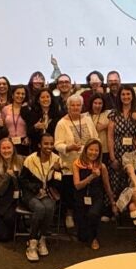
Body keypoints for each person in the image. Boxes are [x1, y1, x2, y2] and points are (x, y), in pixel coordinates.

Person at [55, 94, 98, 228]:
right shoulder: (62, 123)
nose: (75, 107)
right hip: (70, 164)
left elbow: (95, 138)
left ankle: (84, 217)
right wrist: (68, 147)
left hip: (88, 163)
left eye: (78, 105)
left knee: (86, 191)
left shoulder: (87, 119)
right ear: (68, 107)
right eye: (72, 105)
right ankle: (69, 215)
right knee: (71, 193)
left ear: (81, 106)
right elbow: (57, 144)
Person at [20, 134, 63, 260]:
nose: (49, 146)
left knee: (49, 207)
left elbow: (59, 184)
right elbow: (22, 180)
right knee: (39, 208)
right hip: (30, 193)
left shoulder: (56, 159)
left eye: (51, 144)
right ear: (39, 145)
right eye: (46, 144)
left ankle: (42, 238)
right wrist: (35, 188)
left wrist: (57, 171)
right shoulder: (30, 159)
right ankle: (32, 242)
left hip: (47, 193)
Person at [73, 138, 115, 250]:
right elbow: (77, 185)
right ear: (86, 150)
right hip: (81, 197)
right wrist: (92, 176)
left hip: (96, 197)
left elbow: (107, 186)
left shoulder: (102, 166)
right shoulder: (77, 164)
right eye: (91, 150)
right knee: (82, 236)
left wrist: (113, 203)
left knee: (93, 214)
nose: (93, 153)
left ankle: (94, 238)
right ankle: (87, 235)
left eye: (96, 150)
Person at [108, 86, 136, 198]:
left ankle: (134, 212)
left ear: (133, 96)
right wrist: (112, 158)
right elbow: (110, 137)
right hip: (118, 153)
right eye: (123, 94)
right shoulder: (114, 114)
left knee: (134, 182)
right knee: (117, 184)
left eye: (128, 94)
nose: (126, 97)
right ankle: (117, 211)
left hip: (135, 153)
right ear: (119, 97)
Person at [0, 138, 25, 243]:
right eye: (3, 148)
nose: (6, 151)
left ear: (13, 149)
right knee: (3, 237)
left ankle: (17, 224)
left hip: (16, 200)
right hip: (1, 202)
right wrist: (7, 176)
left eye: (9, 147)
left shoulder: (22, 160)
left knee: (10, 218)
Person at [1, 85, 30, 155]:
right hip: (8, 142)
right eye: (18, 93)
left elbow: (30, 125)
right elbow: (2, 126)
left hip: (24, 142)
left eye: (23, 94)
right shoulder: (5, 109)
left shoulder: (28, 109)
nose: (20, 96)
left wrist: (28, 137)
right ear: (12, 95)